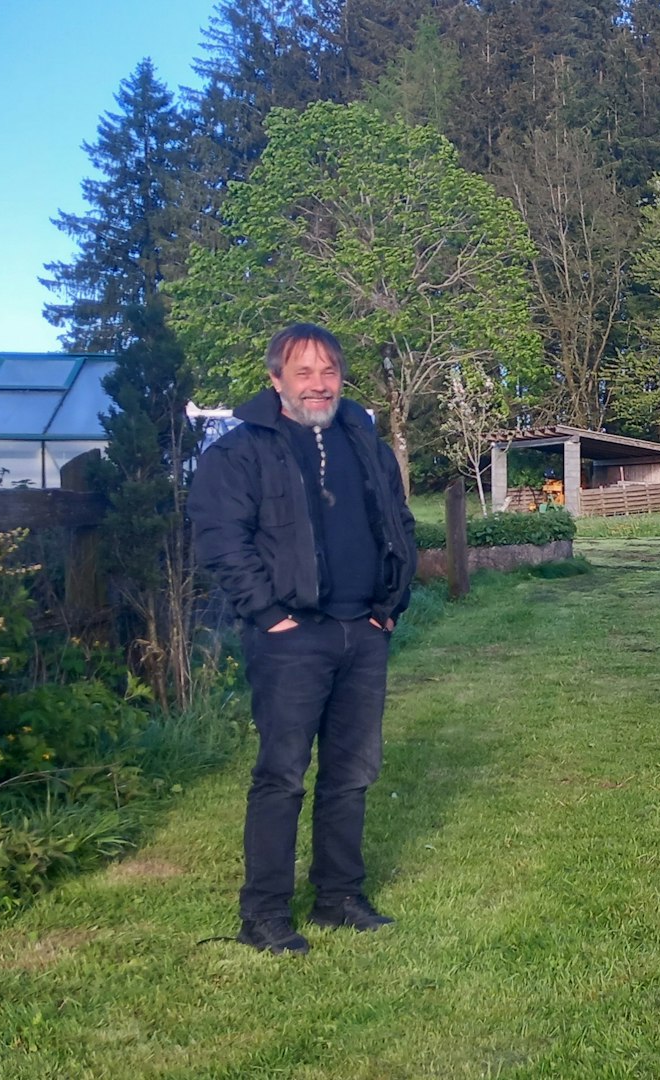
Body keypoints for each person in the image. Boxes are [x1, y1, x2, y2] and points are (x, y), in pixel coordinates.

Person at [188, 323, 418, 956]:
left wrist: (390, 602)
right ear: (276, 380)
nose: (318, 385)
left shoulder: (361, 437)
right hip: (290, 638)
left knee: (351, 773)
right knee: (282, 776)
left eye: (329, 373)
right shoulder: (238, 452)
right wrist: (268, 615)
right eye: (304, 373)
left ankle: (340, 896)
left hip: (363, 631)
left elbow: (396, 518)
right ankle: (263, 913)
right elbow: (221, 540)